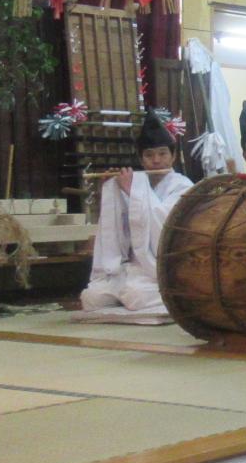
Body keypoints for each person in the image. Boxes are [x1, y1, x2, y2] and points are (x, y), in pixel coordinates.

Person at [81, 113, 193, 314]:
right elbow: (121, 224)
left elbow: (164, 223)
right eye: (149, 155)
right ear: (141, 159)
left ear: (173, 156)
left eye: (162, 154)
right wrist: (111, 191)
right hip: (133, 267)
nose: (156, 161)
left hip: (161, 266)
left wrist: (131, 191)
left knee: (136, 296)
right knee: (92, 298)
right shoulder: (139, 184)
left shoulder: (182, 186)